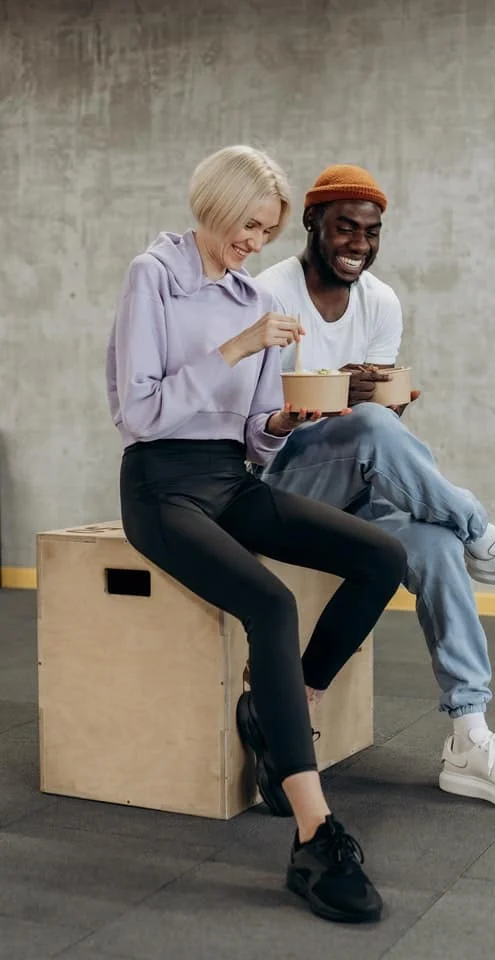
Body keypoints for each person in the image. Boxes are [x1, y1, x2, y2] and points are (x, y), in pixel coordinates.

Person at [105, 146, 408, 924]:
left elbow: (253, 434)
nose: (255, 241)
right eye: (249, 223)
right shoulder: (156, 275)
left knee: (382, 557)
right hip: (159, 484)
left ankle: (286, 706)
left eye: (268, 230)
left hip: (228, 478)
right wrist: (238, 348)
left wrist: (283, 419)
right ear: (213, 203)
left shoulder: (247, 293)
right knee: (270, 606)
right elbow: (138, 413)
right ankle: (315, 835)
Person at [255, 164, 495, 813]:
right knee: (372, 425)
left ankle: (469, 737)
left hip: (353, 487)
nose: (359, 241)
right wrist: (347, 402)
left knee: (436, 546)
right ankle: (490, 538)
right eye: (344, 227)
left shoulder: (381, 301)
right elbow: (253, 422)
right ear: (312, 224)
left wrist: (385, 401)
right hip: (278, 482)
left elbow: (378, 425)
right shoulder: (267, 293)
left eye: (371, 230)